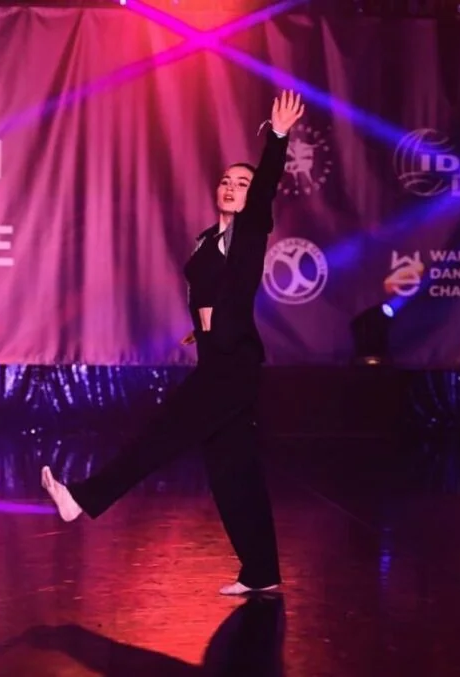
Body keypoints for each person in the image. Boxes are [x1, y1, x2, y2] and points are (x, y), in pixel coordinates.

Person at [42, 90, 306, 596]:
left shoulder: (250, 232)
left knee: (160, 436)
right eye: (226, 181)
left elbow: (265, 190)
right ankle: (262, 571)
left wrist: (276, 136)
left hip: (232, 366)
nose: (232, 188)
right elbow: (208, 294)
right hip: (217, 360)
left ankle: (82, 499)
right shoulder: (207, 239)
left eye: (242, 183)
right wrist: (202, 327)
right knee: (233, 472)